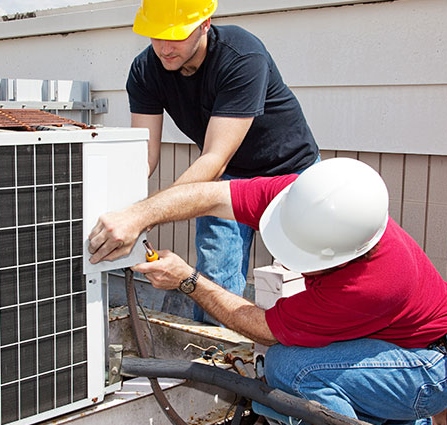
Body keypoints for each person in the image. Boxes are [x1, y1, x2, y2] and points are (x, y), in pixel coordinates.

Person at [88, 158, 447, 425]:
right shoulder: (308, 198)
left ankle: (400, 421)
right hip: (394, 344)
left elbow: (264, 329)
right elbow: (210, 194)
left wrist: (188, 280)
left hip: (429, 368)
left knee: (292, 369)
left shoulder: (369, 284)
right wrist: (137, 215)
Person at [127, 0, 319, 323]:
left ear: (205, 24)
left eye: (174, 35)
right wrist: (122, 208)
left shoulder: (242, 56)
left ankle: (295, 364)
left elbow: (214, 158)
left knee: (304, 284)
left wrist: (144, 214)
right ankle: (216, 365)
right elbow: (144, 156)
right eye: (155, 35)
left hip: (290, 173)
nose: (163, 47)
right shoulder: (146, 70)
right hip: (228, 178)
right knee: (214, 282)